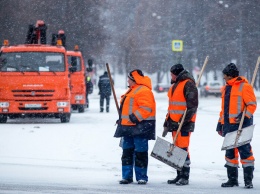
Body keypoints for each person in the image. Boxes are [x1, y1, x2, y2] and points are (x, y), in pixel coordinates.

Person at [216, 63, 257, 189]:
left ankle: (248, 180)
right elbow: (224, 109)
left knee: (245, 152)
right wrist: (220, 123)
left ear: (230, 76)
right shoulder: (226, 88)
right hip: (228, 126)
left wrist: (245, 117)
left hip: (242, 125)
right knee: (230, 153)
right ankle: (232, 179)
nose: (224, 78)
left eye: (225, 76)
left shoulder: (244, 87)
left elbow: (252, 105)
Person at [114, 69, 156, 185]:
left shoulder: (143, 91)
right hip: (128, 127)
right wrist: (122, 119)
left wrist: (134, 117)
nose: (127, 80)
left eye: (129, 78)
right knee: (126, 153)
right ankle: (126, 176)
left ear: (134, 79)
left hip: (140, 128)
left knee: (140, 153)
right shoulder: (132, 90)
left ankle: (141, 177)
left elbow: (147, 108)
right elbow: (128, 108)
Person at [162, 64, 198, 186]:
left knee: (183, 149)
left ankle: (185, 176)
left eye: (172, 74)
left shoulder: (188, 84)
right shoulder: (174, 86)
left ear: (176, 74)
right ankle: (179, 175)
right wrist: (167, 123)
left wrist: (184, 120)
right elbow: (172, 107)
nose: (170, 76)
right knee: (177, 149)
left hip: (184, 124)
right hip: (174, 123)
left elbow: (192, 106)